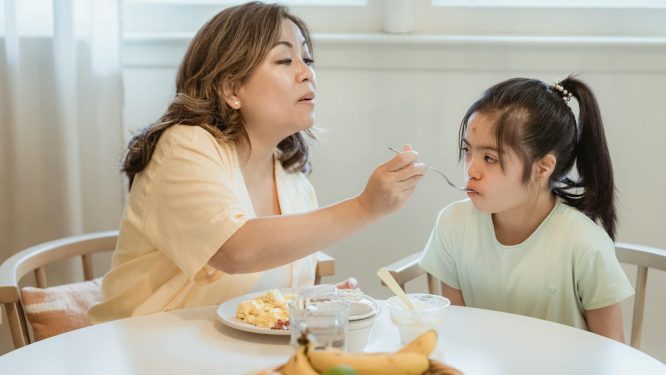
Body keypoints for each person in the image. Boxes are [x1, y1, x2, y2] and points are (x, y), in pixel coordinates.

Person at [88, 2, 425, 323]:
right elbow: (235, 250)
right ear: (232, 88)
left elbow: (266, 298)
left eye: (307, 58)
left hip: (227, 358)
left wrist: (316, 302)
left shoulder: (294, 184)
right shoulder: (183, 147)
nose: (307, 73)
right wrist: (365, 207)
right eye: (284, 60)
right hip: (143, 352)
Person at [419, 76, 634, 342]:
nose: (471, 170)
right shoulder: (453, 224)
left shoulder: (584, 245)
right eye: (467, 151)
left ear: (543, 167)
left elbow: (612, 353)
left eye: (490, 158)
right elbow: (458, 334)